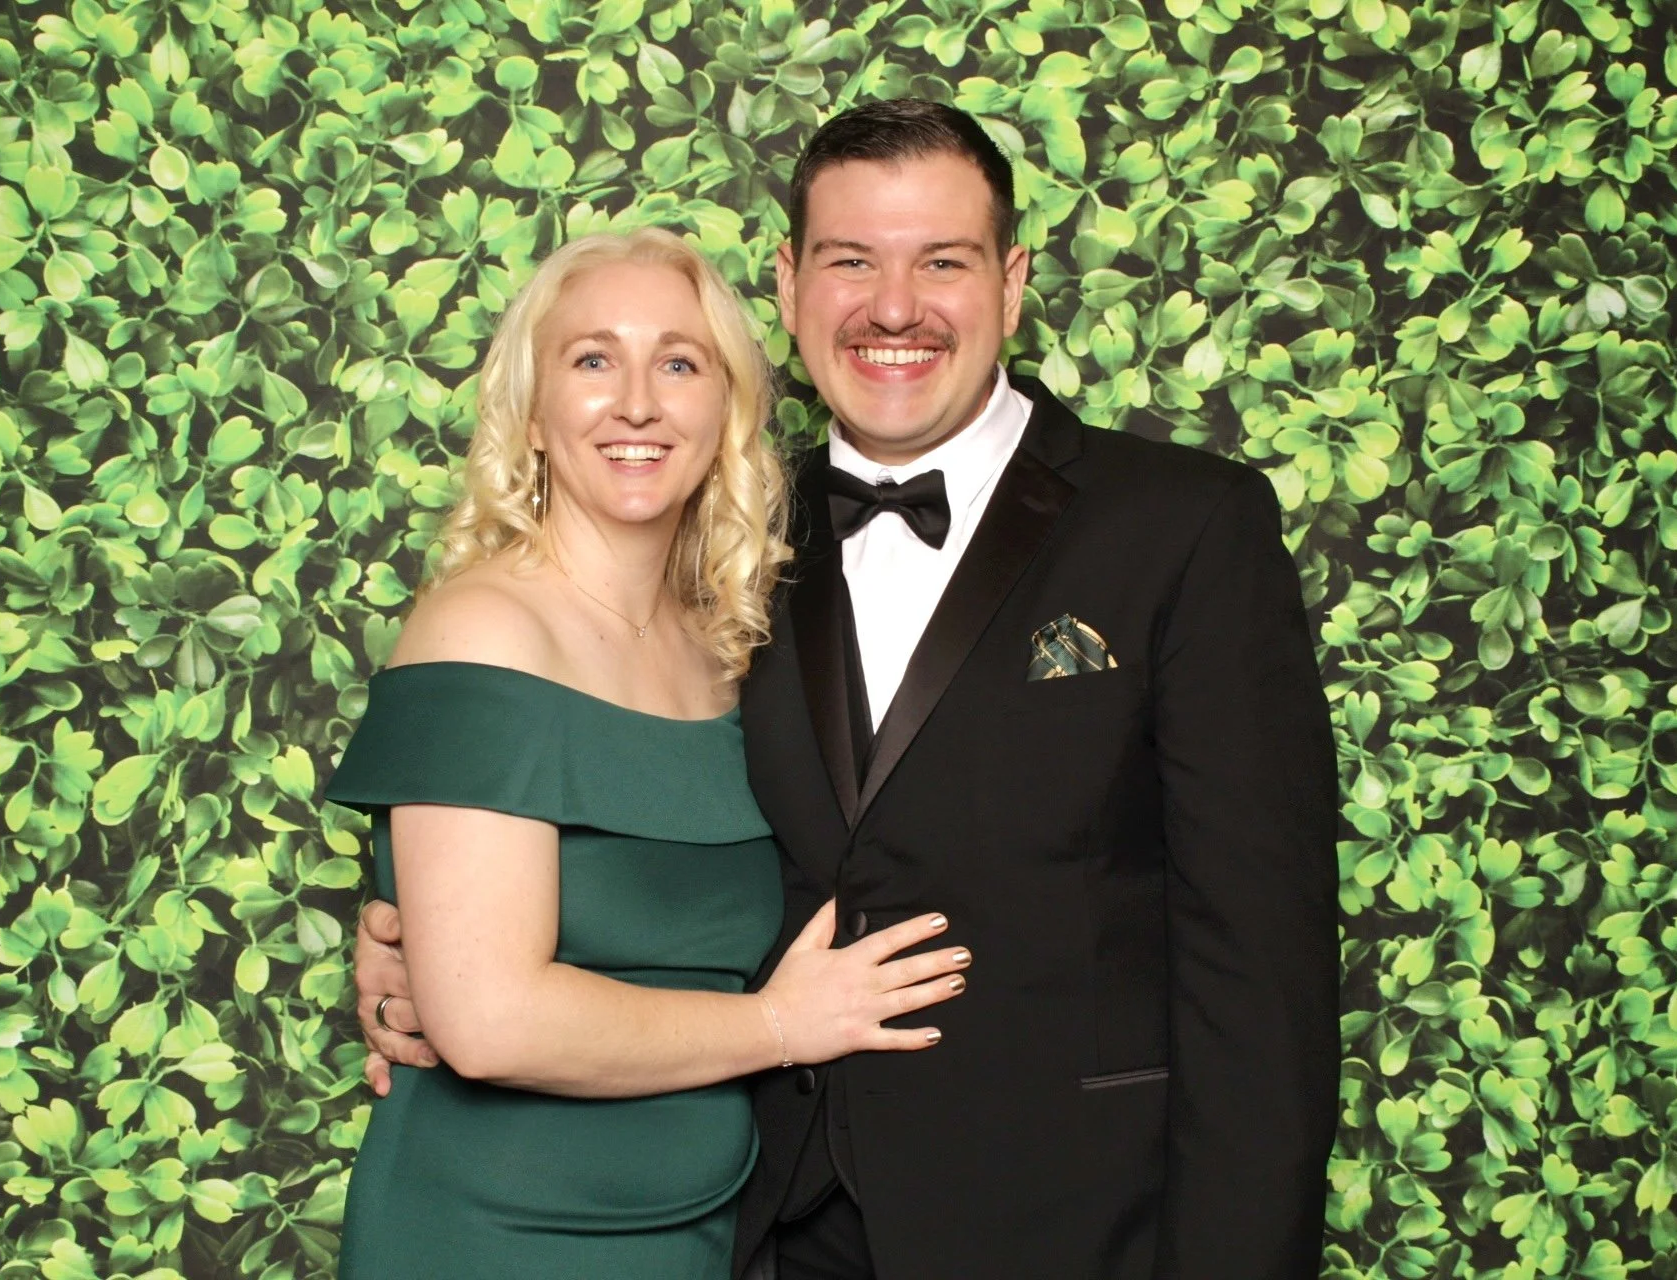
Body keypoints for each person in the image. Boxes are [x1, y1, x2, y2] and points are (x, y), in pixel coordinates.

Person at [356, 101, 1339, 1278]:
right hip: (762, 1220)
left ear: (1013, 282)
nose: (892, 306)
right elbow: (596, 817)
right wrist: (421, 940)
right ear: (788, 282)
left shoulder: (1183, 526)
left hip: (1074, 1228)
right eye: (850, 261)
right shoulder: (715, 546)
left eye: (943, 261)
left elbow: (1261, 972)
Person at [322, 227, 972, 1279]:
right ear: (533, 413)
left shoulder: (729, 649)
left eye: (679, 361)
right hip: (493, 1236)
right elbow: (487, 1021)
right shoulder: (484, 629)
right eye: (592, 359)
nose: (636, 401)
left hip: (703, 1234)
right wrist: (776, 1025)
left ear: (726, 413)